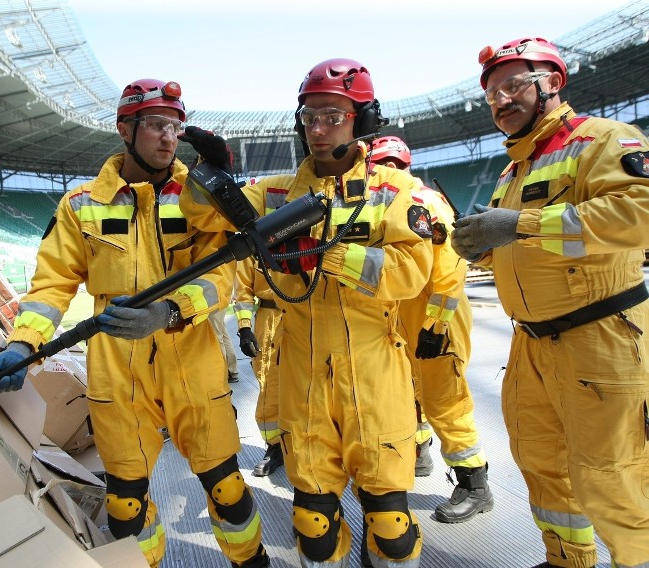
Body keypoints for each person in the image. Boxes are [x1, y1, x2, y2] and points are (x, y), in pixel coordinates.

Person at [0, 78, 269, 568]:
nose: (167, 138)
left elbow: (222, 277)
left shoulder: (199, 198)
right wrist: (22, 344)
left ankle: (253, 562)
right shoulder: (80, 204)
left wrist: (168, 311)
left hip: (193, 364)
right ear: (124, 128)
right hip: (118, 372)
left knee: (225, 487)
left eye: (175, 127)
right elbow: (51, 287)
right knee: (126, 505)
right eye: (156, 125)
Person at [180, 58, 433, 568]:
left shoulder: (397, 192)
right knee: (313, 523)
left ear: (360, 121)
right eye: (309, 117)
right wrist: (212, 175)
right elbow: (201, 212)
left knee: (390, 523)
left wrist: (327, 255)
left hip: (375, 367)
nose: (318, 130)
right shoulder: (273, 193)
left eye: (332, 116)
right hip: (302, 372)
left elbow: (412, 270)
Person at [452, 37, 649, 568]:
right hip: (531, 343)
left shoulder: (604, 139)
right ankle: (568, 560)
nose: (500, 100)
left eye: (514, 85)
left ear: (552, 83)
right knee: (543, 465)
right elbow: (520, 249)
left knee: (614, 477)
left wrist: (518, 224)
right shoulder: (512, 171)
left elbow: (641, 212)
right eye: (492, 93)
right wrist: (482, 249)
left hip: (600, 338)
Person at [370, 135, 494, 524]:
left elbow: (450, 270)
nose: (388, 171)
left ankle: (475, 484)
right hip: (405, 321)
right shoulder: (380, 208)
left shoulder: (426, 203)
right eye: (381, 165)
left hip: (437, 319)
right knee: (408, 392)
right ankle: (419, 452)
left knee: (445, 399)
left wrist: (435, 325)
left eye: (394, 164)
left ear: (405, 166)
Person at [233, 255, 284, 476]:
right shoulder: (252, 242)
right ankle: (275, 447)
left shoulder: (311, 228)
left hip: (306, 314)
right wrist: (244, 328)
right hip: (268, 320)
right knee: (270, 384)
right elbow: (243, 289)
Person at [210, 262, 241, 384]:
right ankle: (232, 370)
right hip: (223, 290)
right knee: (221, 330)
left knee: (216, 334)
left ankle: (222, 373)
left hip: (215, 291)